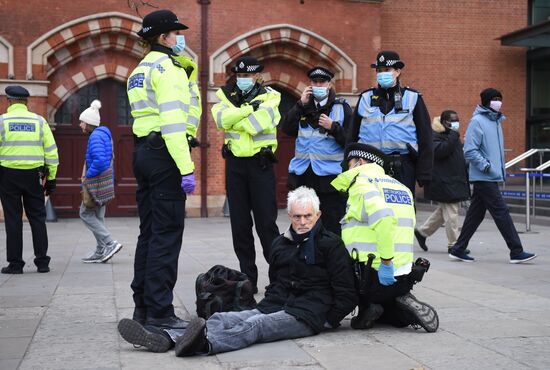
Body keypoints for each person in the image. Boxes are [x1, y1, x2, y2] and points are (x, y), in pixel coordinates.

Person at [118, 186, 357, 355]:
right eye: (297, 217)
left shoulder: (331, 245)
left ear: (318, 215)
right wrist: (263, 306)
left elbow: (347, 292)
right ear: (290, 215)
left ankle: (204, 345)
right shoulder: (280, 243)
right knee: (223, 317)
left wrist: (327, 320)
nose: (303, 222)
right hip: (275, 305)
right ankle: (167, 339)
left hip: (306, 314)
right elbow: (275, 283)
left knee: (255, 327)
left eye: (308, 216)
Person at [124, 9, 196, 332]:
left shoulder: (137, 70)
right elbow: (173, 123)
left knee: (149, 232)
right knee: (167, 235)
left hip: (142, 152)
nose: (180, 38)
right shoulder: (168, 70)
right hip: (165, 155)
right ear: (165, 37)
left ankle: (142, 306)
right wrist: (187, 168)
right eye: (176, 33)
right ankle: (161, 312)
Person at [331, 143, 439, 332]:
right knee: (390, 313)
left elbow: (383, 219)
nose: (348, 169)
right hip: (403, 274)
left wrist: (386, 263)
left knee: (333, 271)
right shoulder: (400, 187)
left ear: (360, 162)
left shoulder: (363, 184)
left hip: (372, 275)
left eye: (349, 164)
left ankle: (368, 307)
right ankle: (400, 308)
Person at [211, 56, 281, 292]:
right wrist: (248, 110)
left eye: (247, 76)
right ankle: (248, 278)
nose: (243, 80)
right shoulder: (224, 95)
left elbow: (257, 124)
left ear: (257, 77)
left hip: (260, 165)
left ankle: (278, 278)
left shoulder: (271, 96)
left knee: (266, 225)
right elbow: (221, 120)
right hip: (235, 166)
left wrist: (237, 117)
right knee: (239, 226)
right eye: (240, 76)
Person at [449, 88, 538, 264]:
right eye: (494, 99)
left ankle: (458, 249)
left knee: (476, 214)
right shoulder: (478, 121)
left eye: (500, 98)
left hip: (490, 176)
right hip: (484, 176)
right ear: (485, 102)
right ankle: (516, 251)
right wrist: (487, 166)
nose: (498, 101)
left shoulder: (496, 121)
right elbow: (470, 150)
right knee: (501, 211)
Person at [347, 51, 433, 197]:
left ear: (398, 71)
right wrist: (348, 164)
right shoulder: (366, 98)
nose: (382, 74)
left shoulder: (412, 98)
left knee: (401, 212)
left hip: (401, 165)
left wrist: (424, 172)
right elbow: (351, 135)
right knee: (370, 210)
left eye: (387, 70)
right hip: (368, 164)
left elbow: (425, 136)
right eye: (379, 71)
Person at [281, 66, 352, 235]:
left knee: (331, 226)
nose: (318, 85)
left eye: (322, 82)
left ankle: (331, 260)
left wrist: (333, 127)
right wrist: (300, 104)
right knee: (304, 224)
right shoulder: (302, 107)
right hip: (303, 175)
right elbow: (286, 129)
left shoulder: (341, 108)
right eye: (315, 82)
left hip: (330, 178)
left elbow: (350, 142)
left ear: (329, 84)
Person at [0, 85, 58, 274]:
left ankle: (16, 264)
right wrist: (51, 179)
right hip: (34, 176)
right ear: (26, 102)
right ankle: (42, 263)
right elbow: (51, 152)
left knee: (13, 220)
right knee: (37, 218)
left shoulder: (2, 122)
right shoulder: (39, 122)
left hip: (8, 175)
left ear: (9, 101)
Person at [414, 110, 470, 253]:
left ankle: (422, 233)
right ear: (444, 122)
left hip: (453, 180)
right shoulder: (435, 135)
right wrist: (453, 135)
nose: (455, 124)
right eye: (452, 121)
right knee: (452, 213)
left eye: (457, 120)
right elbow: (440, 151)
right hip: (443, 181)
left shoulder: (452, 135)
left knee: (443, 211)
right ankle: (454, 245)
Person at [78, 100, 123, 263]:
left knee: (84, 213)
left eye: (82, 122)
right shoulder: (103, 134)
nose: (80, 125)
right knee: (98, 215)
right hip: (104, 182)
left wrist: (87, 176)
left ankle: (110, 243)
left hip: (96, 182)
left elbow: (100, 161)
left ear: (89, 123)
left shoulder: (96, 137)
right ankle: (100, 249)